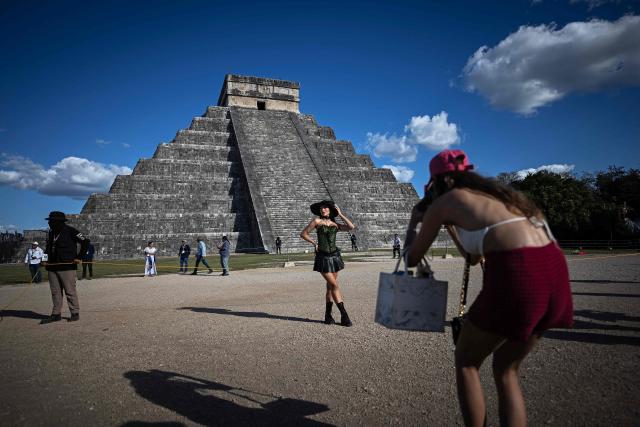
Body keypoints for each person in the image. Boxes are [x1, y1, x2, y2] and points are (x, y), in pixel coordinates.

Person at [406, 149, 573, 427]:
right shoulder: (505, 198)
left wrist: (415, 221)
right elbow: (473, 258)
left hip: (520, 272)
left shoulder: (446, 201)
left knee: (466, 361)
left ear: (438, 181)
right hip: (554, 270)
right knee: (506, 369)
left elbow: (412, 258)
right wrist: (451, 228)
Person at [300, 200, 355, 326]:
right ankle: (344, 315)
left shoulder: (335, 224)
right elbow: (303, 234)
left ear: (330, 210)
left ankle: (328, 316)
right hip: (323, 257)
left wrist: (340, 214)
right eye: (321, 208)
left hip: (335, 257)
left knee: (330, 287)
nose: (323, 209)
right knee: (334, 285)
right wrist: (315, 243)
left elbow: (351, 227)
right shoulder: (316, 221)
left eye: (325, 207)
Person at [42, 211, 88, 323]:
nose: (50, 224)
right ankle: (56, 313)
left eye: (52, 222)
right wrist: (44, 260)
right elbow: (48, 248)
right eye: (49, 222)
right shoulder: (52, 233)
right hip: (52, 267)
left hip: (67, 267)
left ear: (59, 222)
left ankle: (74, 312)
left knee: (70, 291)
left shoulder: (71, 231)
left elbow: (85, 241)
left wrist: (79, 257)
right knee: (55, 292)